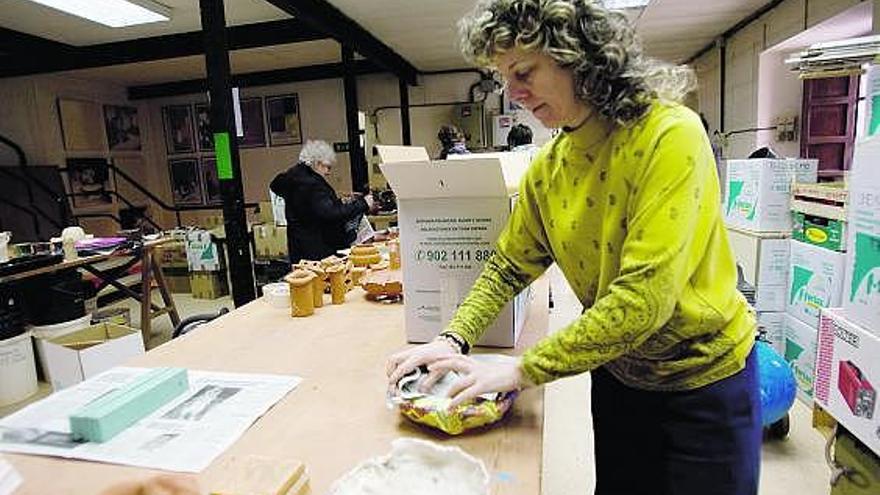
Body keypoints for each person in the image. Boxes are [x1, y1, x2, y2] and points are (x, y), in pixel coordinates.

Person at [386, 1, 760, 495]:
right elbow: (507, 266)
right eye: (504, 78)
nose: (513, 94)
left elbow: (642, 302)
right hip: (619, 378)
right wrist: (451, 338)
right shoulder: (550, 167)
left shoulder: (668, 136)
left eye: (523, 72)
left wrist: (521, 369)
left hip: (703, 382)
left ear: (578, 54)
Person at [270, 140, 373, 264]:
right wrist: (363, 204)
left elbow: (312, 209)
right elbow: (330, 213)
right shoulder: (312, 184)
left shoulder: (294, 178)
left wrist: (337, 201)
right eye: (327, 167)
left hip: (298, 245)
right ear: (317, 163)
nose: (328, 172)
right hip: (319, 249)